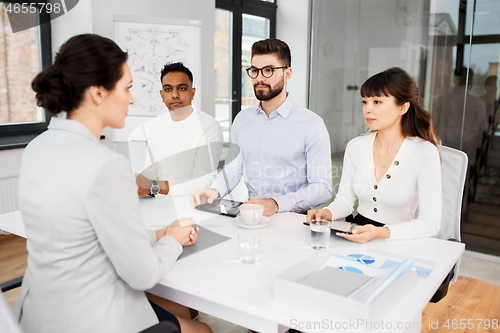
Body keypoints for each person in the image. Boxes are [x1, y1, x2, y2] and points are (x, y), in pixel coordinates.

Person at [14, 34, 211, 333]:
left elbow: (85, 235)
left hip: (37, 313)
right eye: (127, 88)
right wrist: (174, 239)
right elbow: (144, 275)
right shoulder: (106, 165)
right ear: (98, 93)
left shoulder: (37, 148)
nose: (132, 98)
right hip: (90, 319)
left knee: (178, 308)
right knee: (204, 330)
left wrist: (161, 232)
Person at [191, 38, 332, 216]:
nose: (259, 78)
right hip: (251, 216)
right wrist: (214, 190)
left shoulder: (312, 124)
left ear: (287, 74)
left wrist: (275, 204)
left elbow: (322, 188)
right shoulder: (242, 120)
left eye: (268, 70)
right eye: (255, 71)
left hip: (293, 219)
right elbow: (233, 169)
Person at [307, 67, 442, 244]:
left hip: (399, 240)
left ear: (403, 107)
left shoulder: (424, 151)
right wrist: (327, 213)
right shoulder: (356, 146)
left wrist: (380, 233)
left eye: (377, 102)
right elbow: (345, 202)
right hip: (357, 235)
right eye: (365, 102)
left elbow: (430, 223)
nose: (367, 109)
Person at [134, 62, 223, 196]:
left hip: (192, 207)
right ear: (162, 94)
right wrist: (138, 181)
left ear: (192, 93)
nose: (175, 95)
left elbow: (203, 181)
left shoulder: (209, 126)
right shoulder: (154, 126)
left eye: (181, 88)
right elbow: (151, 170)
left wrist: (155, 186)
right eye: (168, 89)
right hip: (156, 204)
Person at [433, 67, 487, 165]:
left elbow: (433, 124)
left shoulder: (441, 100)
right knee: (462, 177)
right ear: (471, 81)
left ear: (454, 80)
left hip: (444, 145)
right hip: (465, 148)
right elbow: (482, 130)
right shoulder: (477, 103)